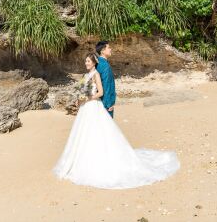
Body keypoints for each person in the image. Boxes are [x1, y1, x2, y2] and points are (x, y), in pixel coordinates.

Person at [52, 52, 180, 189]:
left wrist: (88, 98)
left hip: (93, 106)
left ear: (94, 63)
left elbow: (100, 92)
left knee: (96, 132)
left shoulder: (96, 74)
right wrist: (79, 99)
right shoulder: (85, 76)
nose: (86, 63)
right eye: (85, 61)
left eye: (88, 61)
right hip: (84, 109)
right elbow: (82, 90)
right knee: (83, 133)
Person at [95, 40, 116, 117]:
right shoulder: (105, 65)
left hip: (98, 101)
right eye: (109, 48)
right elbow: (106, 85)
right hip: (106, 103)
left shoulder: (97, 63)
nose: (110, 49)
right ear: (102, 51)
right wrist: (109, 104)